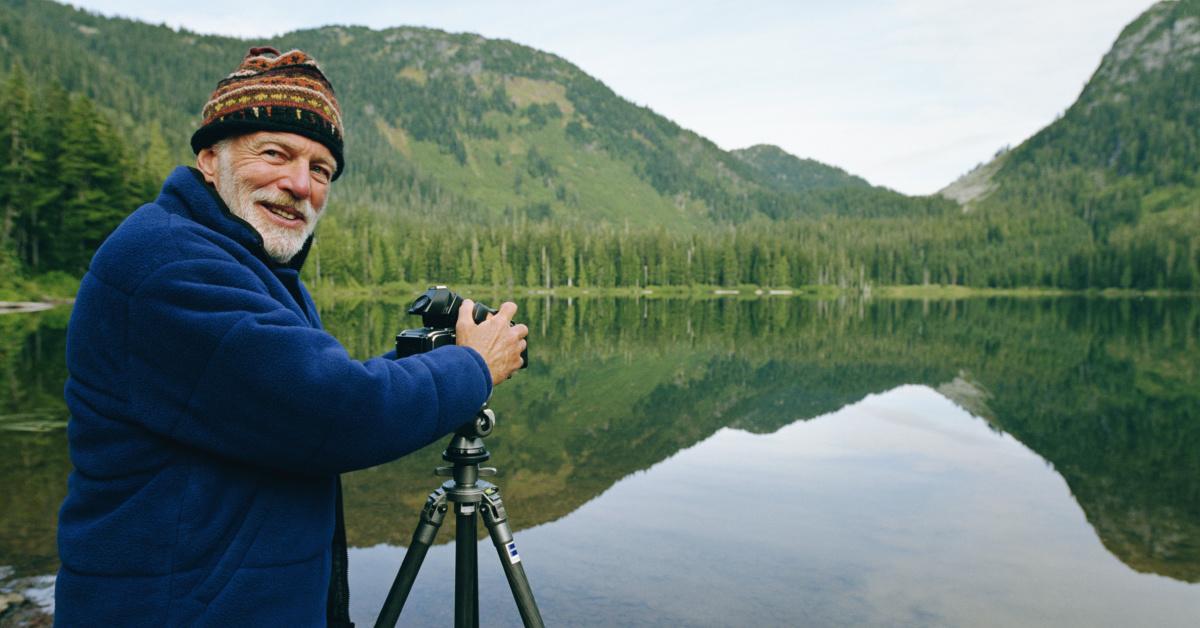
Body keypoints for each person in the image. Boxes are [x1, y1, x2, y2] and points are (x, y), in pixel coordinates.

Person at [55, 46, 527, 626]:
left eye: (321, 170)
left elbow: (285, 396)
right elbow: (332, 413)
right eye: (275, 153)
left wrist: (433, 358)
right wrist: (473, 368)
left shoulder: (248, 265)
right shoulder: (167, 263)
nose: (299, 184)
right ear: (210, 158)